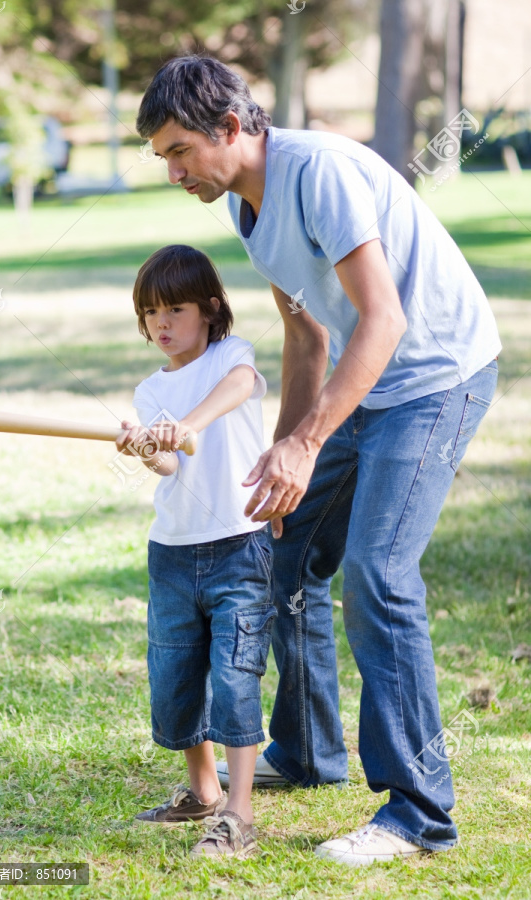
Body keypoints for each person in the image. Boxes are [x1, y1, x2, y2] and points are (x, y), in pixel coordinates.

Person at [135, 56, 501, 865]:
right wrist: (284, 452)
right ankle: (305, 751)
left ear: (230, 129)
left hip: (436, 377)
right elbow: (309, 336)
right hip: (364, 384)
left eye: (179, 151)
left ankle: (417, 812)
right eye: (162, 155)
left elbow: (382, 320)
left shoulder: (320, 174)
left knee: (378, 573)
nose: (172, 172)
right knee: (282, 548)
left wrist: (308, 442)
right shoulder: (243, 205)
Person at [117, 243, 274, 859]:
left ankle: (239, 811)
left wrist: (192, 423)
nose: (162, 324)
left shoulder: (229, 358)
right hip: (174, 552)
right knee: (177, 673)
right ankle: (203, 791)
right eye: (150, 312)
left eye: (175, 309)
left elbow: (239, 388)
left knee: (236, 673)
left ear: (210, 309)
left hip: (238, 544)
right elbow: (163, 464)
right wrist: (147, 447)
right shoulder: (148, 390)